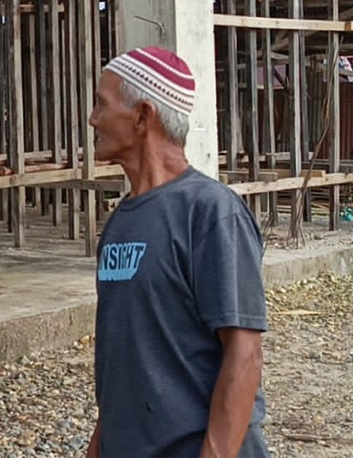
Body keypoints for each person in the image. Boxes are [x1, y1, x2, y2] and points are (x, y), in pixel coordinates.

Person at [86, 47, 269, 458]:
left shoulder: (212, 213)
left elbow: (244, 353)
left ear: (143, 116)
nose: (93, 119)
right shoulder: (120, 223)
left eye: (102, 104)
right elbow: (124, 358)